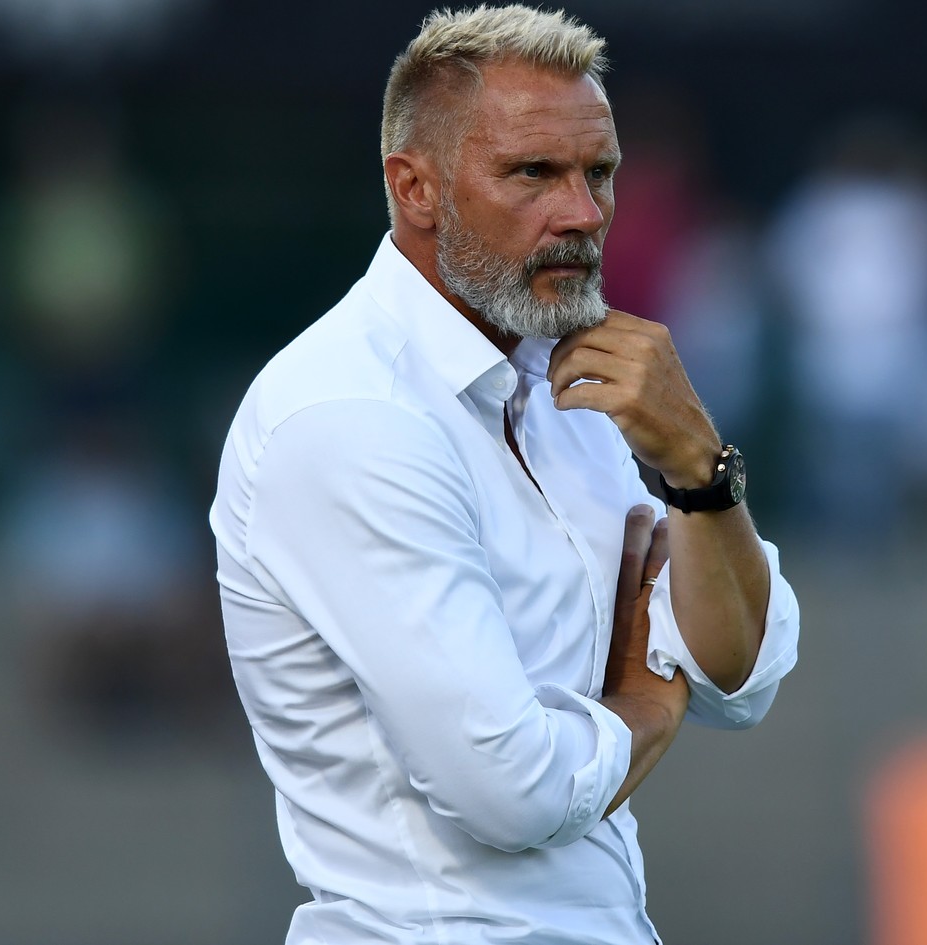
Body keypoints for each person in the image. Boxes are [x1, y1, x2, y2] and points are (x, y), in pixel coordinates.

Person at [208, 6, 800, 944]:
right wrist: (643, 704)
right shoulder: (349, 413)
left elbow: (742, 671)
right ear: (417, 188)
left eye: (598, 172)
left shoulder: (570, 374)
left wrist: (699, 471)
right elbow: (512, 789)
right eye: (534, 173)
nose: (584, 213)